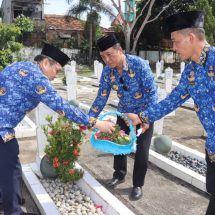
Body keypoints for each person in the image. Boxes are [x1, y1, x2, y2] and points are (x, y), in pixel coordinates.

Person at [0, 43, 115, 215]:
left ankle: (7, 201)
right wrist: (97, 124)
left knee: (5, 167)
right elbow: (62, 106)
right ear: (45, 63)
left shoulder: (20, 65)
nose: (55, 77)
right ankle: (13, 210)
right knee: (11, 170)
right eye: (57, 70)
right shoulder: (37, 78)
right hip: (2, 129)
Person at [125, 11, 215, 214]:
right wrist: (142, 117)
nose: (173, 47)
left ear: (191, 38)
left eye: (175, 41)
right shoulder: (190, 71)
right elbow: (172, 100)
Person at [88, 34, 157, 200]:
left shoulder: (138, 65)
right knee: (119, 145)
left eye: (109, 55)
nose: (107, 60)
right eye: (103, 56)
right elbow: (102, 96)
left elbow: (152, 93)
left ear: (120, 51)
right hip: (124, 113)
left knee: (142, 151)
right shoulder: (107, 72)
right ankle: (119, 175)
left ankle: (138, 184)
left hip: (142, 114)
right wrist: (89, 118)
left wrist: (145, 118)